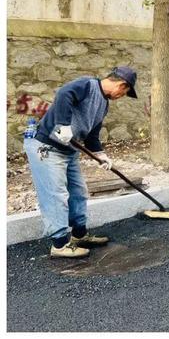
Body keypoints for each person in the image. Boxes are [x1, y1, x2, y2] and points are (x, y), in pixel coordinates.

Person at [24, 66, 139, 258]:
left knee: (79, 192)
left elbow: (92, 136)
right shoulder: (87, 84)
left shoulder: (103, 105)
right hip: (46, 148)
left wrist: (101, 155)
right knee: (56, 195)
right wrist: (62, 124)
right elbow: (64, 93)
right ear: (121, 85)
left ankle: (79, 235)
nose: (121, 96)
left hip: (69, 152)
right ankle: (60, 245)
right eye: (125, 93)